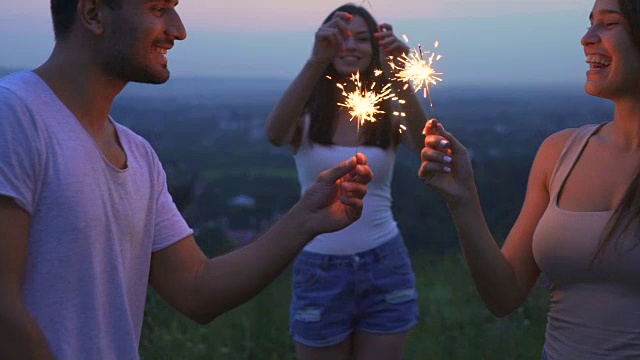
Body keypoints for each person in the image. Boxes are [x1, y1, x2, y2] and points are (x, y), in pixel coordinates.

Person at [0, 0, 374, 358]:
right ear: (94, 13)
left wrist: (306, 218)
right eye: (158, 9)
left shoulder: (139, 156)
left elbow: (198, 288)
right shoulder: (15, 116)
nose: (178, 31)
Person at [419, 0, 640, 358]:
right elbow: (504, 295)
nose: (587, 38)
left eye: (609, 23)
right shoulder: (560, 154)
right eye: (589, 24)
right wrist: (463, 200)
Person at [265, 3, 428, 359]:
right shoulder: (305, 117)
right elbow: (275, 134)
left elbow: (424, 147)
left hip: (386, 261)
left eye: (362, 40)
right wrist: (315, 61)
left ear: (376, 50)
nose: (351, 46)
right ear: (326, 43)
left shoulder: (386, 113)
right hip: (319, 268)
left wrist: (400, 76)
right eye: (342, 38)